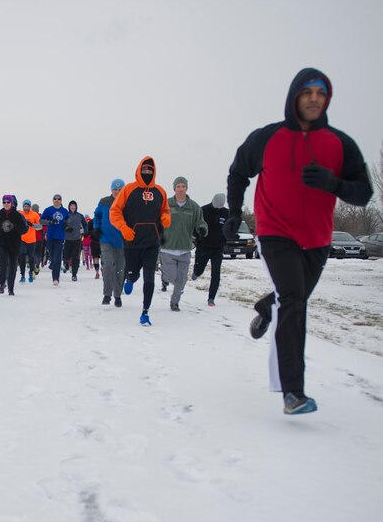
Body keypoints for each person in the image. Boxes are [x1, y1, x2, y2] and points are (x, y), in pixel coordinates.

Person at [226, 67, 372, 415]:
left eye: (321, 93)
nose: (314, 98)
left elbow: (365, 193)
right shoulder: (267, 137)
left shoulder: (340, 143)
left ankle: (265, 307)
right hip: (276, 233)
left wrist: (334, 183)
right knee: (294, 300)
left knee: (292, 296)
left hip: (318, 240)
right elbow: (237, 172)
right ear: (294, 96)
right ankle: (293, 392)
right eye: (307, 92)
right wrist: (234, 212)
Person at [110, 157, 171, 325]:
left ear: (154, 171)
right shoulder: (128, 189)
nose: (147, 173)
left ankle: (145, 311)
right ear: (139, 170)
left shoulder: (160, 191)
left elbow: (165, 210)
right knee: (132, 272)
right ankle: (129, 279)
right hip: (132, 242)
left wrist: (166, 217)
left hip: (152, 242)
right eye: (144, 170)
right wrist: (123, 227)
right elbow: (115, 211)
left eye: (150, 170)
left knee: (149, 277)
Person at [159, 177, 207, 312]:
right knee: (172, 277)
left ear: (186, 188)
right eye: (178, 186)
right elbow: (158, 222)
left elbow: (200, 222)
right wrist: (159, 236)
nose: (181, 189)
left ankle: (175, 303)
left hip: (185, 248)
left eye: (183, 186)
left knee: (182, 280)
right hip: (167, 248)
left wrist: (202, 229)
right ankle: (164, 276)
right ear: (174, 188)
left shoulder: (193, 207)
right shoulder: (166, 204)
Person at [191, 193, 229, 307]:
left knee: (216, 274)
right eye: (216, 205)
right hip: (204, 246)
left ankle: (211, 298)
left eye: (220, 206)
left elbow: (229, 228)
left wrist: (228, 237)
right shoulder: (203, 210)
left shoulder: (226, 213)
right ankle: (197, 272)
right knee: (200, 268)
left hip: (218, 248)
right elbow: (195, 226)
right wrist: (198, 238)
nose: (218, 207)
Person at [94, 178, 126, 306]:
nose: (117, 192)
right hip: (106, 239)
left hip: (122, 241)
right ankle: (107, 294)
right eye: (115, 189)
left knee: (119, 269)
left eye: (120, 189)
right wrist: (96, 228)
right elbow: (97, 215)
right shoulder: (104, 201)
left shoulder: (127, 202)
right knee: (107, 265)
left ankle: (117, 295)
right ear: (111, 190)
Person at [0, 194, 28, 295]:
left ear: (12, 203)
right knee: (3, 263)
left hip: (14, 244)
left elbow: (24, 229)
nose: (6, 204)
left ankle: (11, 288)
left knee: (13, 266)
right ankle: (2, 284)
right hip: (2, 243)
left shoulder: (18, 215)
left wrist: (13, 226)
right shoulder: (0, 214)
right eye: (4, 202)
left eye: (8, 202)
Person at [40, 194, 70, 285]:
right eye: (55, 199)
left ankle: (55, 278)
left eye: (59, 199)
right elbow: (41, 221)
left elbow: (68, 220)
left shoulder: (64, 211)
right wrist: (50, 222)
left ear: (61, 201)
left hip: (60, 237)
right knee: (52, 257)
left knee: (57, 257)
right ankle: (52, 263)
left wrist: (66, 224)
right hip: (50, 237)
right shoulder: (48, 210)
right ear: (53, 200)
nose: (57, 200)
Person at [62, 200, 88, 281]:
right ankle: (66, 263)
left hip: (77, 239)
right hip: (67, 239)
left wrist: (85, 232)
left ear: (76, 207)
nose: (73, 207)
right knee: (66, 256)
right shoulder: (66, 215)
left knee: (75, 257)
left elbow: (85, 225)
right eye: (71, 206)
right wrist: (66, 229)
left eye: (74, 206)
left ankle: (74, 274)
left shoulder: (80, 216)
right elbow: (62, 226)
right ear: (69, 207)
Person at [18, 199, 41, 283]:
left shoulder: (34, 214)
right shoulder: (20, 214)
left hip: (31, 240)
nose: (26, 208)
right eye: (25, 206)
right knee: (22, 256)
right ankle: (22, 275)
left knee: (31, 257)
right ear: (23, 206)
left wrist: (31, 224)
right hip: (22, 239)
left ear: (30, 207)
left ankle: (31, 272)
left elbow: (40, 227)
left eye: (28, 206)